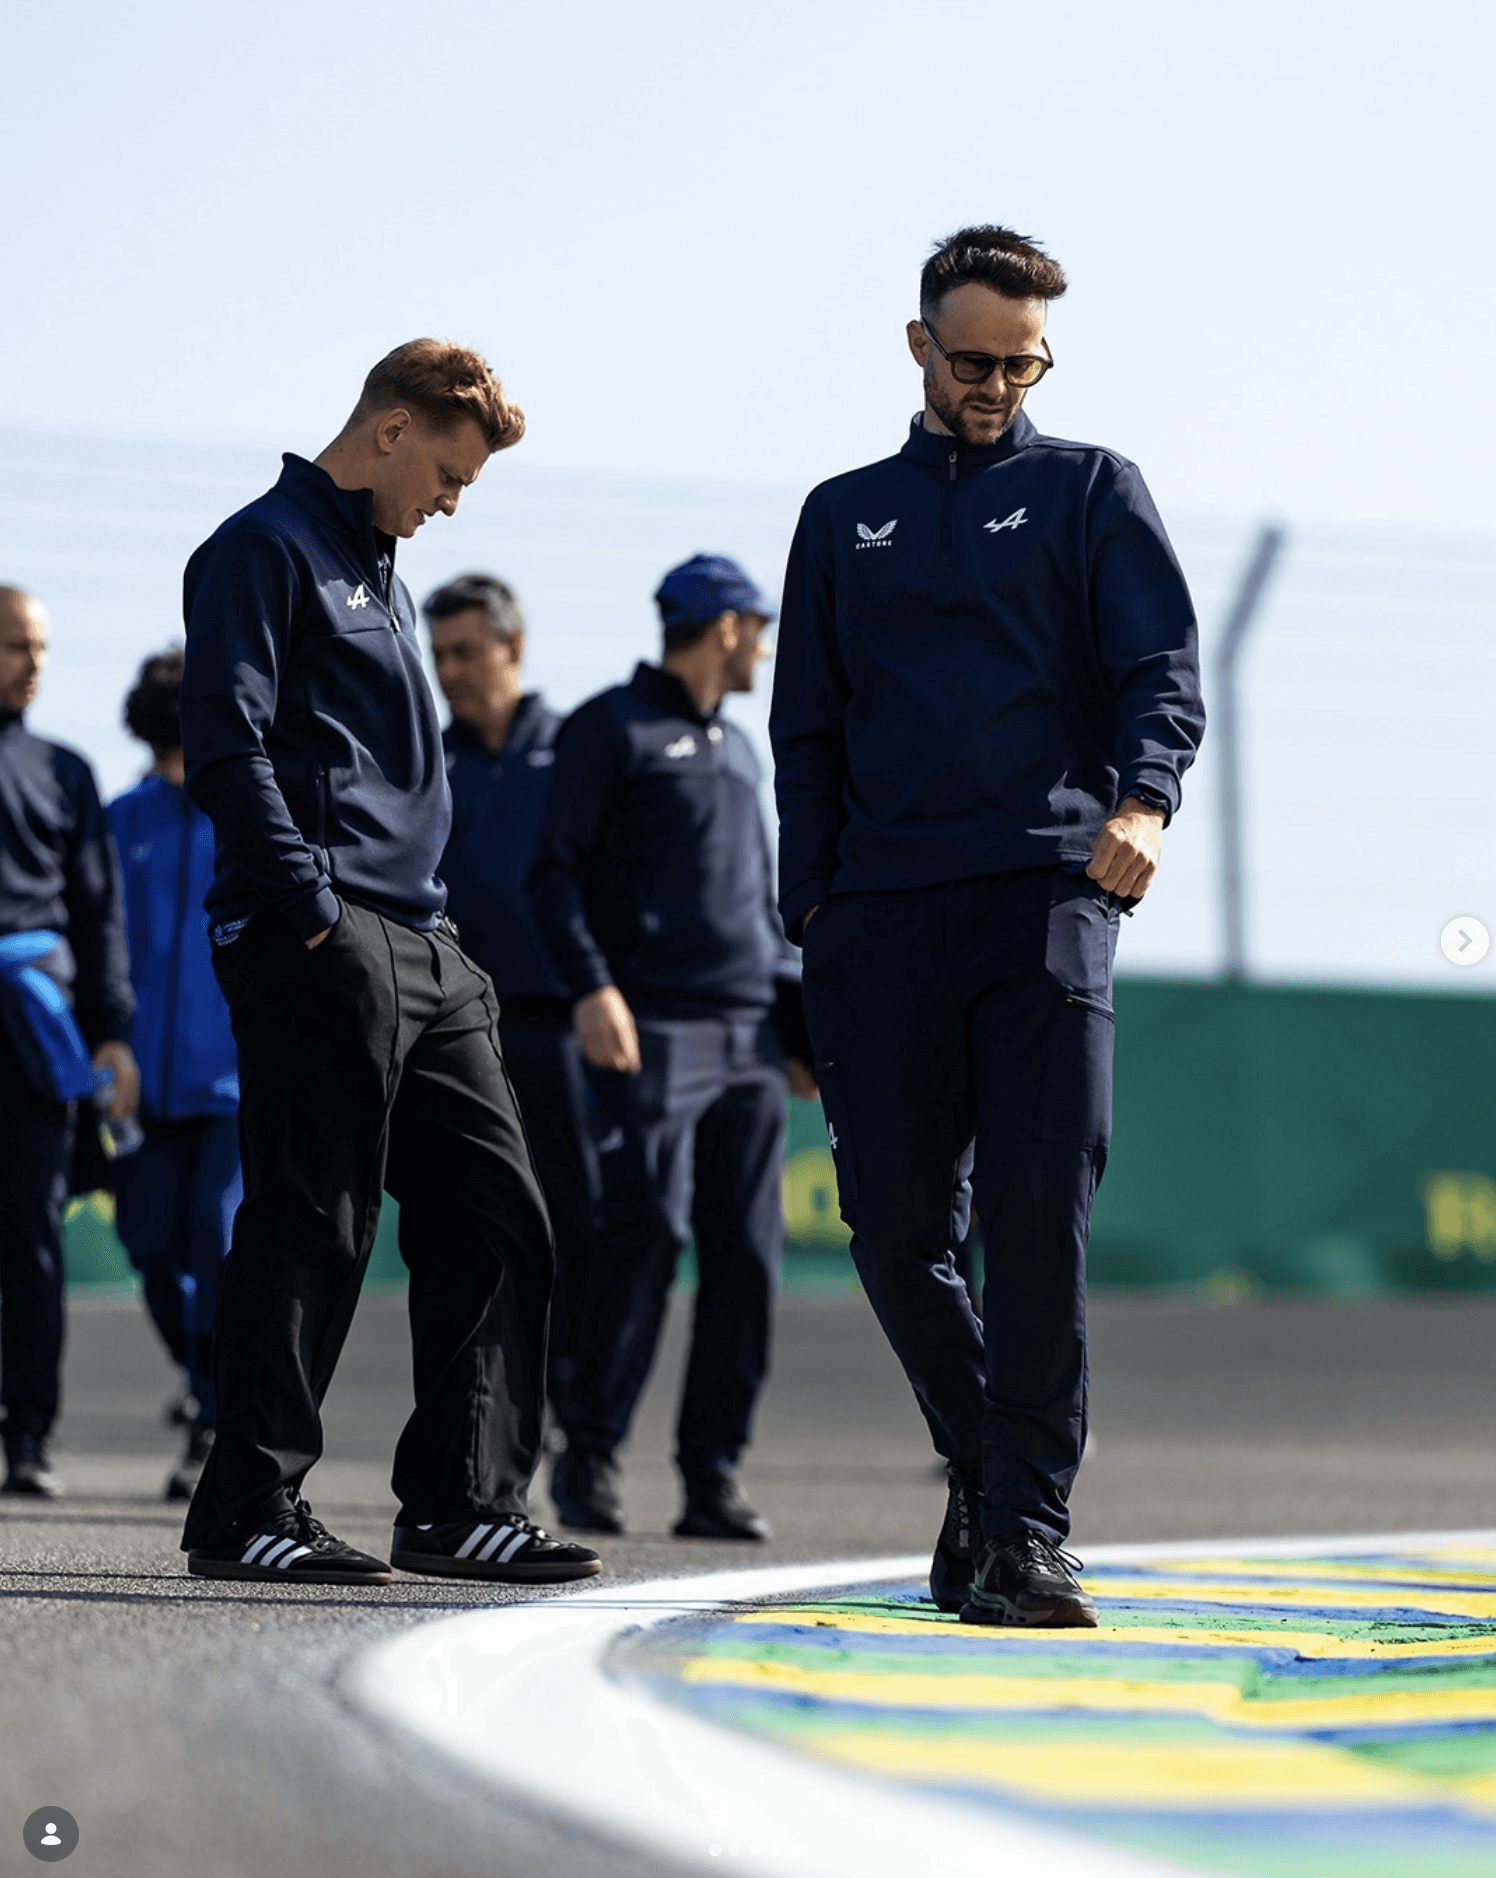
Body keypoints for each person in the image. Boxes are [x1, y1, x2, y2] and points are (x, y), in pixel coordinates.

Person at [770, 227, 1205, 1626]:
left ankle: (1025, 1531)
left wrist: (1143, 801)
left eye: (1024, 365)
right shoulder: (841, 515)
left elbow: (1159, 671)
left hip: (1046, 898)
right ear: (918, 346)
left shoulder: (1090, 488)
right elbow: (805, 730)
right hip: (877, 917)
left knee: (1033, 1219)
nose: (996, 387)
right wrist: (811, 907)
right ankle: (983, 1461)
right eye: (973, 362)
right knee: (894, 1229)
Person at [176, 339, 600, 1587]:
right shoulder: (261, 548)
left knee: (498, 1215)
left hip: (425, 941)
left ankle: (460, 1503)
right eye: (450, 476)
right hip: (320, 933)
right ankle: (248, 1508)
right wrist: (311, 909)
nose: (453, 502)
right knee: (314, 1218)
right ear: (392, 429)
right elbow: (225, 745)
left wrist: (423, 933)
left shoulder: (379, 569)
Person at [532, 553, 815, 1541]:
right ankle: (590, 1456)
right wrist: (592, 987)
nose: (763, 649)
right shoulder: (610, 728)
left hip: (749, 1038)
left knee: (748, 1256)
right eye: (757, 629)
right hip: (650, 1024)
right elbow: (553, 873)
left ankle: (712, 1474)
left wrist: (794, 1033)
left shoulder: (740, 748)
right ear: (725, 626)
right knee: (644, 1229)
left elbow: (761, 911)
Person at [422, 573, 597, 1427]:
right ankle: (495, 1411)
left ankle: (574, 1404)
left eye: (467, 651)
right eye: (440, 655)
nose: (451, 671)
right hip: (459, 1034)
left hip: (564, 1025)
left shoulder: (577, 747)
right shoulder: (424, 760)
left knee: (582, 1221)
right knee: (480, 1226)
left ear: (513, 647)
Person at [0, 585, 138, 1497]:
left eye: (42, 647)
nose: (34, 663)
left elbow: (98, 915)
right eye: (17, 644)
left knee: (33, 1235)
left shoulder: (65, 770)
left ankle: (28, 1436)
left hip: (35, 1033)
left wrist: (114, 1034)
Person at [109, 649, 242, 1502]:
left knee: (217, 1241)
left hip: (231, 1081)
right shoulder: (118, 821)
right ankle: (202, 1378)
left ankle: (215, 1419)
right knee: (149, 1245)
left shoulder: (248, 816)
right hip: (134, 1088)